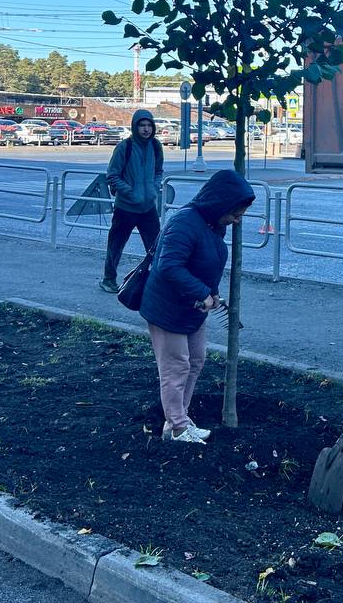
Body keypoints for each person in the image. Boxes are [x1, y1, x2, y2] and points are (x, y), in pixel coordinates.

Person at [140, 168, 254, 444]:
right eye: (236, 212)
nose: (239, 219)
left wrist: (210, 293)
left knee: (195, 361)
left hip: (192, 308)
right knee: (176, 366)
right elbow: (168, 265)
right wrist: (202, 292)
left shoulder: (214, 224)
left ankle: (178, 419)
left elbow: (204, 263)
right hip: (167, 308)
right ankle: (177, 427)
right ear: (221, 203)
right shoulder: (185, 222)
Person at [101, 109, 165, 294]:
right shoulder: (125, 147)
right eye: (142, 125)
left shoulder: (155, 146)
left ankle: (157, 283)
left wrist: (154, 188)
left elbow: (159, 170)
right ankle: (109, 279)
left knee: (156, 247)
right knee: (116, 245)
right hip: (126, 207)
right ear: (135, 127)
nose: (146, 129)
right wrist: (130, 192)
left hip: (147, 208)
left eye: (149, 125)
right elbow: (112, 175)